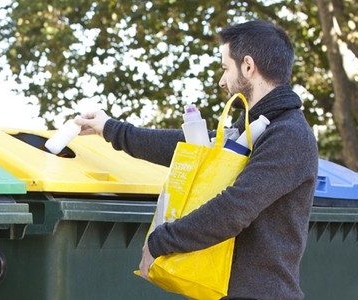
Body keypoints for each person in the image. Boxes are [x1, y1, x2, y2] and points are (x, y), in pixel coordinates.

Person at [74, 20, 318, 299]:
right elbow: (185, 148)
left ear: (248, 67)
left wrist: (161, 242)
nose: (222, 81)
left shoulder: (289, 135)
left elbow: (234, 209)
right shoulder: (250, 130)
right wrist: (110, 129)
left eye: (226, 68)